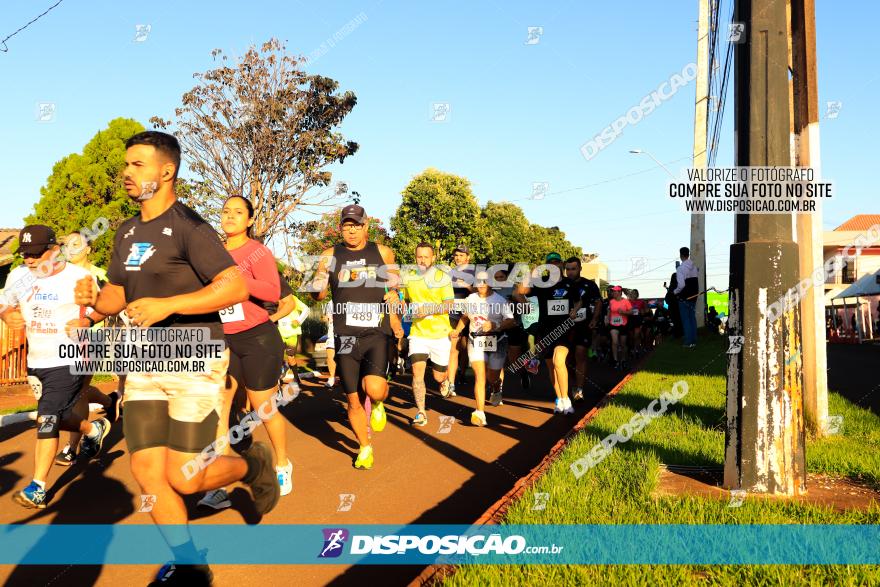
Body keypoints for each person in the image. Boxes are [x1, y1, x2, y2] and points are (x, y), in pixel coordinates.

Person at [74, 131, 279, 584]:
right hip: (146, 363)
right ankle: (191, 564)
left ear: (166, 172)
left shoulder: (191, 227)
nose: (127, 173)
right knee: (147, 471)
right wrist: (94, 300)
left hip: (194, 361)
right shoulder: (127, 231)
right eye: (126, 164)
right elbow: (118, 295)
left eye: (138, 164)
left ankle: (252, 465)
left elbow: (234, 286)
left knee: (185, 477)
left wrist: (169, 305)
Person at [2, 225, 112, 509]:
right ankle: (92, 429)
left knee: (47, 418)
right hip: (37, 360)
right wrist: (7, 314)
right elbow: (4, 301)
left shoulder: (79, 277)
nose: (29, 259)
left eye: (36, 253)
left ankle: (37, 486)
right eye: (25, 253)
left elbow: (104, 305)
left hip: (70, 356)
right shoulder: (18, 276)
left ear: (54, 249)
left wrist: (88, 321)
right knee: (52, 415)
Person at [198, 195, 291, 515]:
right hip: (224, 340)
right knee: (220, 411)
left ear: (250, 220)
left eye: (238, 212)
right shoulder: (212, 255)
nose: (230, 217)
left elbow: (272, 292)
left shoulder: (257, 252)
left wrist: (239, 278)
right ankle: (221, 486)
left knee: (263, 407)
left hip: (258, 339)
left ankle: (281, 463)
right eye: (225, 211)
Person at [309, 204, 403, 470]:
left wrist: (394, 294)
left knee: (373, 388)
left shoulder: (382, 252)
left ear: (366, 227)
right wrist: (317, 286)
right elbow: (319, 292)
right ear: (341, 228)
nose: (351, 230)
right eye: (347, 226)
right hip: (345, 334)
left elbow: (395, 282)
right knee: (352, 398)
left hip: (376, 331)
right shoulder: (330, 254)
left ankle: (378, 401)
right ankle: (365, 447)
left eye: (356, 225)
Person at [54, 231, 120, 466]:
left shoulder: (99, 275)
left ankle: (71, 447)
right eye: (67, 244)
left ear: (88, 249)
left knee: (78, 391)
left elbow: (109, 308)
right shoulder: (59, 276)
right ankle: (111, 402)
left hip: (90, 341)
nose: (70, 248)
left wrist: (87, 322)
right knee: (77, 389)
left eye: (76, 244)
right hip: (62, 342)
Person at [515, 252, 581, 415]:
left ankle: (566, 399)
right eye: (550, 263)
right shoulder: (540, 284)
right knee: (551, 367)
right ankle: (559, 399)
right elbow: (518, 292)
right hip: (545, 331)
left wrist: (575, 311)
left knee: (559, 361)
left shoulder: (569, 283)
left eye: (557, 262)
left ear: (562, 264)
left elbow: (578, 301)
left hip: (564, 328)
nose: (554, 265)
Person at [450, 270, 515, 426]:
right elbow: (465, 317)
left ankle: (496, 387)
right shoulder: (471, 299)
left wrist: (495, 325)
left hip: (497, 341)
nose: (480, 285)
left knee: (492, 377)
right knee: (480, 376)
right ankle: (479, 412)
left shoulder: (500, 301)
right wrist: (457, 331)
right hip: (476, 340)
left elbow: (511, 321)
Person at [401, 242, 454, 427]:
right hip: (418, 334)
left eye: (426, 256)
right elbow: (405, 301)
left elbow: (449, 305)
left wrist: (428, 309)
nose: (422, 260)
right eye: (419, 256)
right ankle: (421, 412)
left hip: (440, 335)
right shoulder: (409, 277)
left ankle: (445, 380)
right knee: (417, 374)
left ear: (433, 258)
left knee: (438, 376)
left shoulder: (443, 278)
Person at [565, 257, 601, 403]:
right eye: (568, 269)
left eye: (573, 268)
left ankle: (579, 389)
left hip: (583, 325)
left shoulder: (589, 285)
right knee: (567, 360)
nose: (570, 272)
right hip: (565, 327)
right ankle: (573, 384)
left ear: (580, 269)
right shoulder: (561, 284)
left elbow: (598, 302)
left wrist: (594, 319)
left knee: (580, 354)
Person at [446, 243, 474, 395]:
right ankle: (451, 384)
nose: (458, 258)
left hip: (471, 315)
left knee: (466, 348)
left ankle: (463, 373)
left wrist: (467, 286)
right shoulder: (449, 273)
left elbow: (482, 292)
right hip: (453, 314)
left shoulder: (475, 272)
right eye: (456, 255)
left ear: (467, 257)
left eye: (461, 255)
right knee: (453, 348)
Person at [674, 246, 699, 348]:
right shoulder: (693, 266)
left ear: (681, 255)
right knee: (692, 318)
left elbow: (681, 285)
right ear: (688, 254)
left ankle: (688, 342)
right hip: (694, 295)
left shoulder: (680, 268)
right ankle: (693, 339)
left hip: (684, 296)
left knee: (686, 319)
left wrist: (675, 291)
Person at [607, 285, 633, 370]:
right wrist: (607, 319)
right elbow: (609, 311)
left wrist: (623, 312)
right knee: (614, 342)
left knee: (623, 344)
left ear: (619, 293)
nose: (613, 293)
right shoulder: (611, 301)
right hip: (613, 324)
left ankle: (623, 360)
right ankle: (615, 361)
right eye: (613, 291)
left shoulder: (626, 301)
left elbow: (631, 312)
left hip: (623, 324)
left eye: (615, 291)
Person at [626, 288, 649, 357]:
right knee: (631, 337)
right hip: (629, 320)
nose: (633, 295)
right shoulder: (627, 301)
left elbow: (646, 310)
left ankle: (636, 349)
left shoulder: (641, 302)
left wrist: (643, 312)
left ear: (637, 295)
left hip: (637, 320)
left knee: (636, 336)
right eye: (632, 293)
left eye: (635, 294)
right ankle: (632, 348)